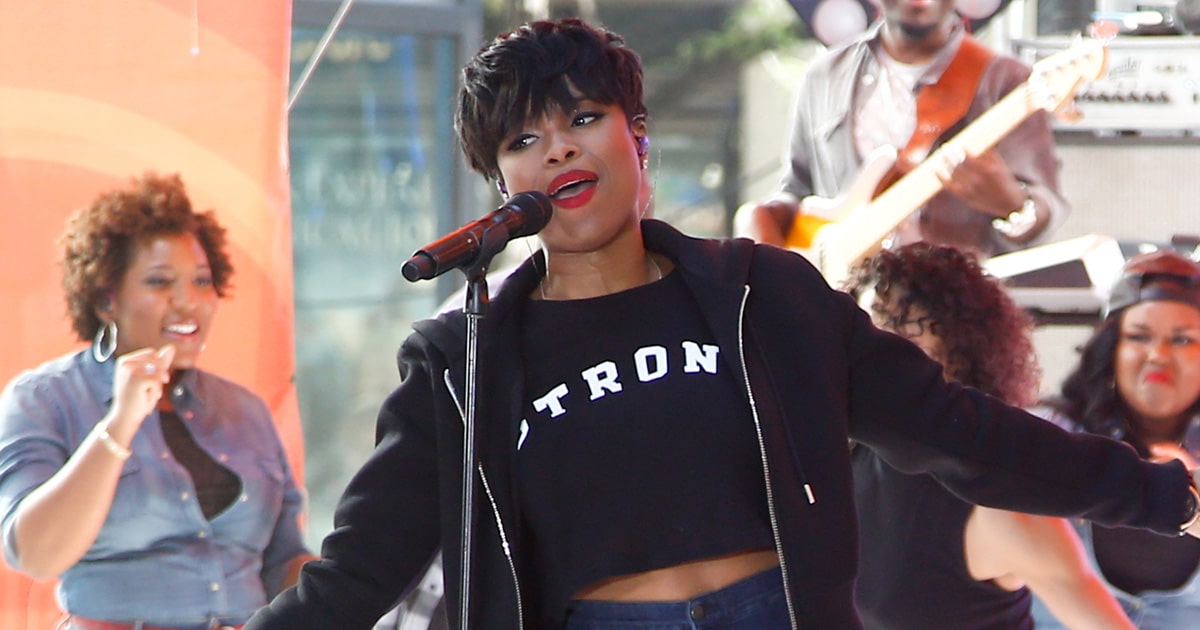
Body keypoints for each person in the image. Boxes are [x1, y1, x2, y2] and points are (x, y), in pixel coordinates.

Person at [246, 18, 1200, 630]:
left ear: (637, 134)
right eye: (523, 140)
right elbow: (358, 571)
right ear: (504, 186)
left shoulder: (766, 296)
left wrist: (1161, 495)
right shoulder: (464, 357)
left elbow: (957, 431)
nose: (559, 148)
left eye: (582, 117)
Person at [0, 173, 316, 629]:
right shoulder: (46, 399)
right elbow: (36, 553)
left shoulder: (245, 410)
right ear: (107, 298)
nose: (188, 302)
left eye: (202, 281)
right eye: (160, 281)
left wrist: (366, 572)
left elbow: (281, 563)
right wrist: (120, 423)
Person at [844, 243, 1133, 629]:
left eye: (906, 342)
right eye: (866, 338)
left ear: (963, 353)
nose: (879, 361)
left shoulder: (1001, 502)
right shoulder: (832, 461)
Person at [734, 0, 1067, 258]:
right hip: (841, 312)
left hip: (954, 315)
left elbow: (1046, 208)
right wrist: (763, 220)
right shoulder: (824, 76)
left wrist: (1016, 207)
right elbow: (799, 188)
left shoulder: (1005, 80)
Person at [1029, 249, 1200, 629]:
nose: (1158, 355)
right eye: (1139, 337)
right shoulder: (1047, 432)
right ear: (1111, 350)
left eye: (1183, 340)